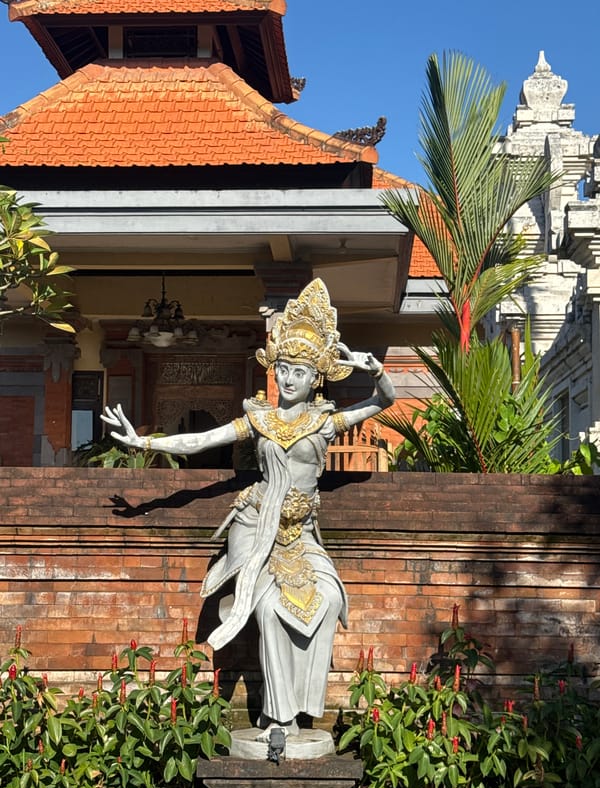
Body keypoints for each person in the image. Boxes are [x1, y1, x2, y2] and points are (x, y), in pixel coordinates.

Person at [102, 278, 395, 740]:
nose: (289, 379)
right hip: (258, 524)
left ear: (315, 375)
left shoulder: (326, 420)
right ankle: (276, 717)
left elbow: (385, 402)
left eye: (299, 371)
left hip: (302, 532)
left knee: (331, 600)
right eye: (283, 369)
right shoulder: (257, 419)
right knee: (270, 610)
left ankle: (305, 710)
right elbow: (201, 440)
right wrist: (144, 440)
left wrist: (375, 371)